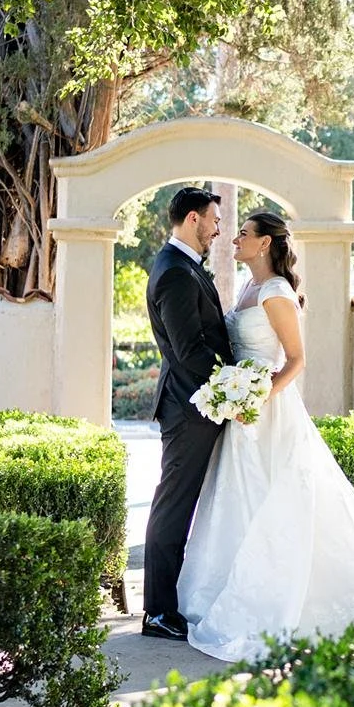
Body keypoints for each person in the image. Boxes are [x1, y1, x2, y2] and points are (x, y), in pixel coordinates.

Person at [177, 208, 354, 662]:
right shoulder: (248, 287)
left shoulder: (276, 291)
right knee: (241, 499)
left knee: (279, 500)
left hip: (269, 411)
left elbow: (295, 360)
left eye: (244, 234)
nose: (235, 239)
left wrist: (256, 398)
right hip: (243, 414)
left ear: (265, 243)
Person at [140, 185, 232, 640]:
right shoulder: (175, 272)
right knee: (174, 507)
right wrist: (234, 388)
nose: (218, 230)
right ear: (193, 218)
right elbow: (189, 351)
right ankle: (158, 612)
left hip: (197, 403)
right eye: (214, 221)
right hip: (189, 407)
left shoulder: (184, 265)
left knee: (181, 504)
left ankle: (173, 602)